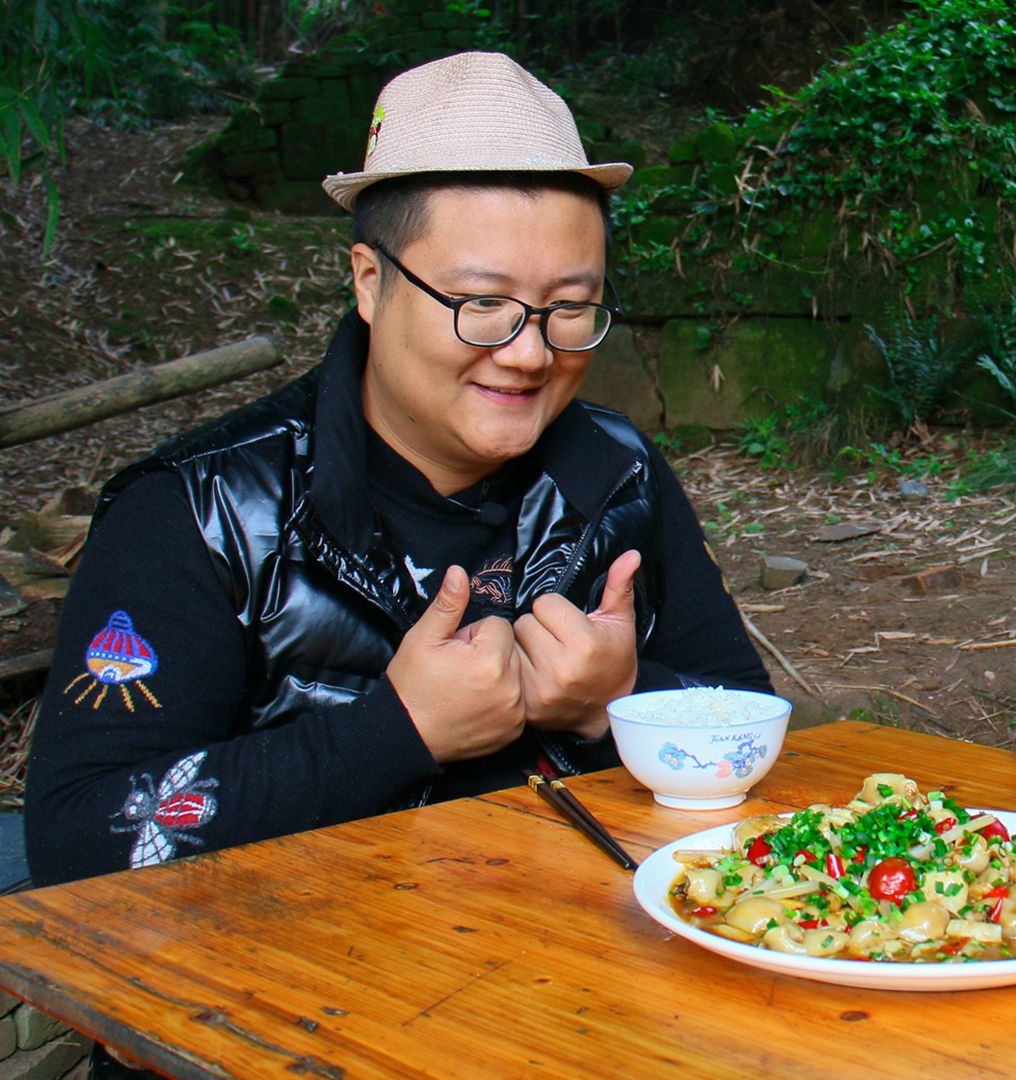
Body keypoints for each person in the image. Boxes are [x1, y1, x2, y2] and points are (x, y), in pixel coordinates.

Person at [24, 52, 770, 887]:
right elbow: (78, 839)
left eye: (568, 308)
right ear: (371, 282)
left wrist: (623, 699)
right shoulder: (202, 512)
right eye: (481, 304)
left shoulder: (617, 473)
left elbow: (757, 727)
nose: (529, 354)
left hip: (571, 966)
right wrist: (395, 730)